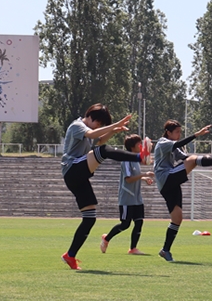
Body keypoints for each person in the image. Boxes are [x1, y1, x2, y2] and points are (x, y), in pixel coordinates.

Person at [60, 104, 151, 270]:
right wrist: (115, 125)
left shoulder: (87, 130)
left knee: (90, 218)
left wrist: (113, 131)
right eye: (100, 124)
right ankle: (140, 157)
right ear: (91, 118)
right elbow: (93, 135)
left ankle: (70, 255)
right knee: (105, 151)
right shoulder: (77, 126)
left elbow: (98, 143)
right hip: (72, 169)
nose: (99, 127)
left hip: (79, 176)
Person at [154, 121, 212, 261]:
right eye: (177, 132)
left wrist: (201, 159)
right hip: (165, 177)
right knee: (194, 159)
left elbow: (185, 158)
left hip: (168, 184)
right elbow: (181, 150)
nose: (179, 135)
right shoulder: (163, 142)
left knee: (177, 218)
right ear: (168, 132)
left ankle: (165, 250)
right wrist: (197, 135)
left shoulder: (172, 146)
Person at [100, 135, 155, 255]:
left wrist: (144, 178)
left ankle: (133, 248)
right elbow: (129, 179)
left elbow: (135, 176)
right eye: (139, 144)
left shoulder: (136, 160)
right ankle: (106, 238)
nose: (141, 146)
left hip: (136, 198)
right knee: (125, 224)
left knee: (139, 222)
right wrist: (144, 174)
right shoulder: (126, 160)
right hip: (127, 198)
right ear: (132, 146)